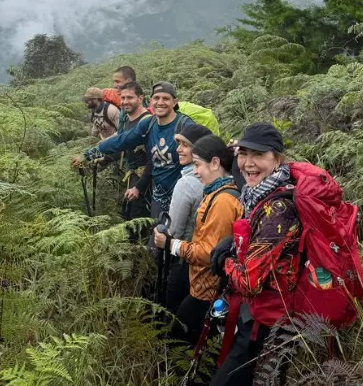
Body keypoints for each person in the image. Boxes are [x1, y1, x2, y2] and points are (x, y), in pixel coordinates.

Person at [196, 123, 299, 386]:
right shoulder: (261, 196)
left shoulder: (277, 209)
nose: (248, 163)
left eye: (258, 155)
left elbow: (251, 281)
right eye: (243, 154)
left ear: (277, 159)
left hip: (264, 328)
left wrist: (225, 261)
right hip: (263, 320)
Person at [154, 135, 243, 351]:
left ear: (215, 163)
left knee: (180, 340)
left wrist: (170, 244)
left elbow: (208, 253)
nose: (195, 171)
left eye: (197, 165)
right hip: (204, 286)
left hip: (209, 290)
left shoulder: (222, 201)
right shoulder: (216, 193)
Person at [81, 81, 193, 219]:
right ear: (150, 101)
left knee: (176, 231)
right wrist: (88, 155)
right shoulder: (149, 124)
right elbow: (121, 140)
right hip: (159, 196)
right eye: (156, 98)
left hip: (183, 193)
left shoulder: (185, 125)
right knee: (157, 230)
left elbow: (206, 150)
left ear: (174, 102)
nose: (160, 102)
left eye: (166, 98)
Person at [163, 123, 212, 312]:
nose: (178, 149)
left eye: (185, 145)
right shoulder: (220, 178)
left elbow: (174, 229)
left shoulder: (187, 183)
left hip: (184, 258)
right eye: (178, 143)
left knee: (174, 309)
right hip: (208, 261)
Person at [117, 82, 152, 223]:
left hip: (147, 182)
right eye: (123, 98)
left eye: (130, 98)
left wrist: (138, 187)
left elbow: (153, 159)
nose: (125, 101)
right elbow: (123, 146)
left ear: (140, 98)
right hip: (132, 178)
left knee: (140, 223)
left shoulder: (147, 122)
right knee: (129, 220)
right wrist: (100, 159)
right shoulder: (127, 119)